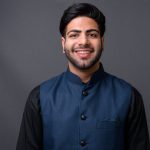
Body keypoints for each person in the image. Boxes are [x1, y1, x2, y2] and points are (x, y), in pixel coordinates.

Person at [16, 3, 150, 150]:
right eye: (74, 35)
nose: (83, 42)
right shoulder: (38, 98)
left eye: (92, 34)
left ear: (102, 42)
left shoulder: (129, 97)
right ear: (63, 44)